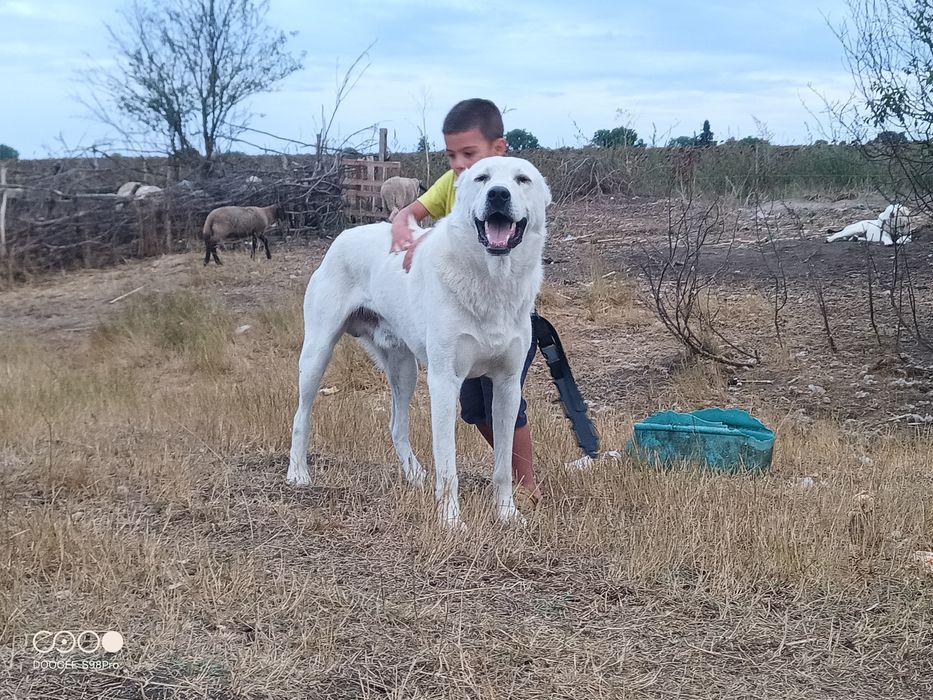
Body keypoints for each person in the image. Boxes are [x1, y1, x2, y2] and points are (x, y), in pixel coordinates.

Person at [389, 98, 540, 509]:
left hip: (507, 305)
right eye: (452, 155)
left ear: (499, 146)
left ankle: (522, 488)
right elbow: (413, 213)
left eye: (468, 153)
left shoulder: (513, 182)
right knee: (474, 408)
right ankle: (455, 496)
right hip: (460, 298)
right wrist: (407, 235)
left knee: (506, 394)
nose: (459, 163)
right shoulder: (460, 182)